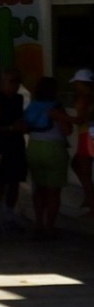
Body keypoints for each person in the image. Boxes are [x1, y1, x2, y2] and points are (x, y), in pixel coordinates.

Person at [23, 76, 74, 239]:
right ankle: (49, 226)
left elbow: (26, 126)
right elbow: (67, 131)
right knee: (53, 192)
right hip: (54, 150)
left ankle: (38, 223)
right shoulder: (56, 107)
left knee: (39, 188)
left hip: (34, 148)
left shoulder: (33, 106)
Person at [0, 70, 27, 228]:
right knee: (1, 180)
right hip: (3, 144)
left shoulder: (19, 99)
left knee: (15, 180)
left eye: (17, 82)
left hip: (17, 143)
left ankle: (10, 212)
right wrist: (11, 127)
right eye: (11, 82)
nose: (15, 85)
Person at [69, 69, 94, 216]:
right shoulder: (89, 97)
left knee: (83, 171)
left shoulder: (84, 98)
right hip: (89, 133)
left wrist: (61, 117)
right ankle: (89, 198)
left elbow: (80, 119)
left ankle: (91, 203)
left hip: (86, 134)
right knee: (80, 165)